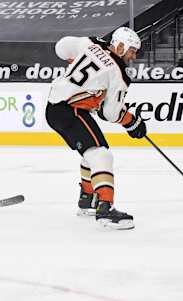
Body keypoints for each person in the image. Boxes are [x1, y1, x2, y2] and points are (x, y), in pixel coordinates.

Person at [46, 27, 146, 230]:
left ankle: (87, 199)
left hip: (55, 106)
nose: (133, 56)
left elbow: (61, 47)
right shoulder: (119, 75)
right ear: (120, 46)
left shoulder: (91, 43)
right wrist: (132, 122)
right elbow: (110, 113)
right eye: (132, 50)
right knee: (101, 155)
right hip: (70, 110)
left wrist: (74, 60)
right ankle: (105, 209)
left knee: (90, 153)